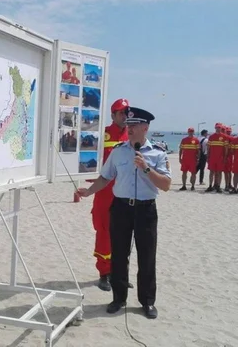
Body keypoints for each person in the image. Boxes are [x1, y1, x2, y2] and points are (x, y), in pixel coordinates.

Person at [77, 106, 171, 319]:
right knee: (119, 255)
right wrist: (89, 191)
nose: (129, 129)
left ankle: (147, 302)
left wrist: (146, 168)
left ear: (145, 128)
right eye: (128, 125)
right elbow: (106, 177)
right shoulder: (119, 150)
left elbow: (166, 185)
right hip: (120, 208)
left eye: (134, 125)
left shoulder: (158, 152)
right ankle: (119, 298)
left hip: (145, 209)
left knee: (146, 256)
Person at [91, 98, 129, 291]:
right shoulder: (101, 134)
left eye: (126, 112)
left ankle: (119, 273)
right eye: (121, 113)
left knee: (123, 234)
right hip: (105, 192)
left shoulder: (132, 134)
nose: (124, 116)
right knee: (104, 232)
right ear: (113, 115)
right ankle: (104, 274)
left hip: (125, 192)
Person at [205, 123, 228, 193]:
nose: (218, 129)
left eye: (219, 128)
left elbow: (226, 148)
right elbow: (208, 148)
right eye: (217, 128)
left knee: (219, 172)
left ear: (221, 128)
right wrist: (207, 156)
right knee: (211, 172)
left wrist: (225, 157)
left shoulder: (224, 137)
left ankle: (218, 186)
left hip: (220, 158)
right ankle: (210, 185)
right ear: (215, 128)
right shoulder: (211, 137)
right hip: (212, 157)